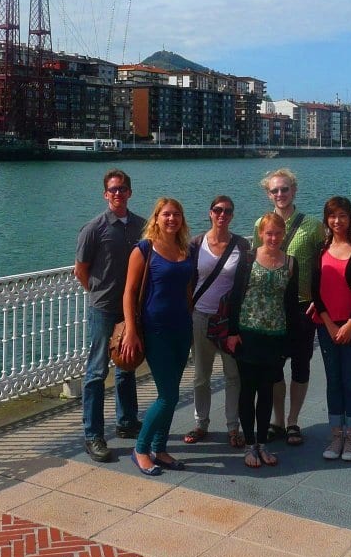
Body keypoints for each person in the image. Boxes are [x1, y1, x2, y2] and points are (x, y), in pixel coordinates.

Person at [121, 198, 194, 476]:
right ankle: (141, 449)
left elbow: (187, 289)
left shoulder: (184, 249)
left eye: (176, 214)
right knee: (167, 395)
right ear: (156, 218)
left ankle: (160, 449)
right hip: (156, 330)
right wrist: (130, 330)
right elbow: (129, 292)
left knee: (172, 395)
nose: (171, 219)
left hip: (182, 328)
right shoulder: (144, 249)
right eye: (166, 214)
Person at [75, 169, 144, 463]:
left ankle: (127, 422)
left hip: (131, 309)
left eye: (123, 189)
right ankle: (93, 435)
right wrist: (98, 293)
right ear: (106, 194)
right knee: (96, 372)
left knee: (127, 364)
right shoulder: (95, 228)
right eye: (113, 190)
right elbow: (81, 270)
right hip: (103, 309)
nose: (118, 194)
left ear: (130, 192)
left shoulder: (142, 226)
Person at [253, 168, 324, 446]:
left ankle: (293, 420)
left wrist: (319, 301)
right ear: (268, 194)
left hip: (303, 307)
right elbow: (256, 263)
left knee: (301, 365)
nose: (280, 194)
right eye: (275, 190)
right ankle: (278, 420)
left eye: (285, 189)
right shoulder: (261, 223)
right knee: (273, 367)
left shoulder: (313, 226)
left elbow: (324, 266)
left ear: (294, 191)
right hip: (272, 309)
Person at [227, 212, 299, 469]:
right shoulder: (248, 259)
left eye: (278, 234)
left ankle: (262, 444)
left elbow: (291, 304)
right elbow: (235, 296)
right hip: (248, 333)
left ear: (283, 235)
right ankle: (249, 445)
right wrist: (232, 332)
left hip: (275, 336)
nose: (273, 238)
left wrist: (291, 340)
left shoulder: (290, 262)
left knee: (267, 391)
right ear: (261, 234)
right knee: (247, 391)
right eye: (269, 233)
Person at [311, 196, 351, 462]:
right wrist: (327, 323)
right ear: (326, 219)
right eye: (332, 216)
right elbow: (315, 290)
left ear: (350, 218)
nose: (337, 221)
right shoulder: (320, 249)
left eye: (342, 216)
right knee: (333, 381)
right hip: (326, 326)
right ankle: (336, 433)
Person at [185, 196, 251, 448]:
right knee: (201, 375)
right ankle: (201, 423)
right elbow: (189, 280)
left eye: (227, 211)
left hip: (229, 321)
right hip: (201, 317)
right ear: (210, 213)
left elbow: (245, 283)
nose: (222, 214)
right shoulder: (196, 244)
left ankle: (233, 427)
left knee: (233, 375)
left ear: (232, 215)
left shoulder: (241, 245)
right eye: (217, 210)